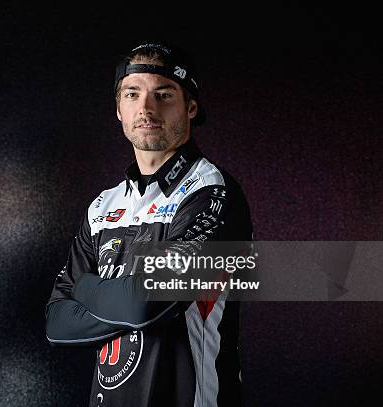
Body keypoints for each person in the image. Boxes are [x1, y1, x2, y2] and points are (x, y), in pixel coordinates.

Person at [45, 41, 253, 407]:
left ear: (191, 107)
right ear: (118, 110)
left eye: (163, 93)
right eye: (132, 93)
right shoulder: (102, 206)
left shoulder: (211, 191)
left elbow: (146, 304)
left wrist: (87, 287)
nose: (146, 107)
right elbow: (58, 323)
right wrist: (127, 297)